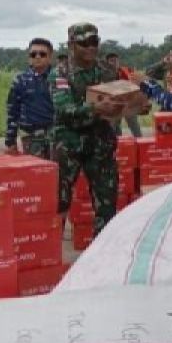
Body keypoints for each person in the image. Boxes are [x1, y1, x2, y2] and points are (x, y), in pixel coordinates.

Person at [52, 23, 122, 234]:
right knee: (60, 200)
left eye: (94, 42)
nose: (91, 47)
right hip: (69, 143)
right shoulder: (61, 73)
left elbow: (120, 97)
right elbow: (64, 109)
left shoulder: (107, 71)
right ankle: (52, 252)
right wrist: (96, 108)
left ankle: (103, 252)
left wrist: (134, 105)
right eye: (84, 43)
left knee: (107, 202)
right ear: (72, 45)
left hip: (101, 143)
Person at [4, 38, 56, 158]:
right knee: (37, 174)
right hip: (32, 138)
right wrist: (10, 141)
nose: (37, 57)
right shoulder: (20, 80)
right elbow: (13, 112)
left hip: (57, 137)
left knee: (58, 173)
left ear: (50, 56)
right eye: (33, 54)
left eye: (42, 54)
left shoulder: (60, 78)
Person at [104, 52, 143, 136]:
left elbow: (136, 82)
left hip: (128, 103)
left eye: (116, 60)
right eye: (111, 61)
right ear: (107, 63)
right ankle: (117, 145)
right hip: (114, 104)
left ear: (119, 61)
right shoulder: (104, 74)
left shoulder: (126, 70)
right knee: (114, 127)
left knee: (134, 125)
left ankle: (140, 143)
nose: (114, 63)